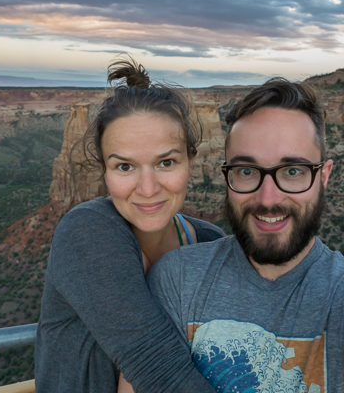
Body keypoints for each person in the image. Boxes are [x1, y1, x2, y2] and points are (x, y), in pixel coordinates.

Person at [35, 56, 225, 393]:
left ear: (191, 162)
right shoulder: (87, 232)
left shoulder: (210, 242)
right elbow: (157, 368)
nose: (148, 188)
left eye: (166, 162)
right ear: (104, 170)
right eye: (125, 167)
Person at [147, 78, 344, 392]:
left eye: (293, 171)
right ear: (226, 176)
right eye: (247, 171)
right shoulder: (177, 280)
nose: (268, 199)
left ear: (324, 176)